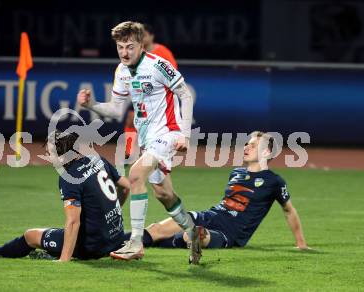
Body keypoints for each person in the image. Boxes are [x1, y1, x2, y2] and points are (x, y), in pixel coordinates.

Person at [76, 21, 199, 263]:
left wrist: (184, 134)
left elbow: (185, 94)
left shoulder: (158, 65)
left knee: (134, 175)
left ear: (141, 45)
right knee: (164, 194)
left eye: (130, 47)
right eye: (120, 47)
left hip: (169, 133)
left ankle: (135, 243)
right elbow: (115, 109)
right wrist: (90, 105)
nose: (124, 52)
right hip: (148, 139)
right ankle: (192, 231)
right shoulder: (121, 71)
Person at [0, 130, 131, 261]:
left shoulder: (69, 177)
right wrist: (109, 213)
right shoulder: (97, 158)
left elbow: (73, 222)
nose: (49, 158)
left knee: (31, 235)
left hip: (93, 246)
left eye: (51, 154)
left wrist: (64, 260)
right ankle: (53, 253)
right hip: (115, 239)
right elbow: (126, 187)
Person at [139, 131, 310, 253]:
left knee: (193, 235)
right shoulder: (237, 172)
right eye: (247, 144)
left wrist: (301, 243)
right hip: (209, 215)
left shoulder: (274, 181)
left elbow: (289, 210)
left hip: (228, 233)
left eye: (253, 145)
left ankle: (184, 243)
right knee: (155, 229)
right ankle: (116, 243)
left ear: (266, 152)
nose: (246, 148)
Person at [124, 23, 178, 160]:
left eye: (144, 35)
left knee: (157, 126)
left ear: (151, 36)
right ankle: (129, 152)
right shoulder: (136, 53)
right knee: (130, 119)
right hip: (141, 94)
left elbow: (174, 74)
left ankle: (162, 153)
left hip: (159, 96)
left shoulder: (163, 52)